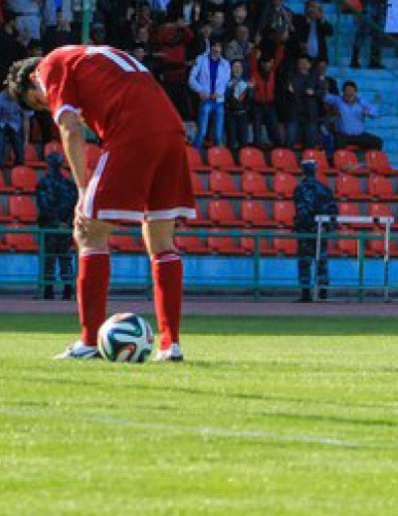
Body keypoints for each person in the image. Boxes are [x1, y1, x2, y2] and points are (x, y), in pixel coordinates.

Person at [5, 46, 195, 361]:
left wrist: (82, 189)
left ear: (31, 86)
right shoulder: (91, 54)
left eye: (37, 102)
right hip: (172, 131)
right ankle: (170, 345)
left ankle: (89, 342)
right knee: (161, 241)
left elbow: (69, 128)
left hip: (133, 132)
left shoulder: (51, 66)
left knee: (88, 231)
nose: (44, 106)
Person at [35, 152, 78, 301]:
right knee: (65, 259)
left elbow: (44, 206)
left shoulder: (43, 184)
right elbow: (74, 207)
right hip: (65, 228)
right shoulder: (70, 185)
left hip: (49, 228)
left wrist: (56, 222)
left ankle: (48, 292)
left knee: (49, 260)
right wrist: (66, 223)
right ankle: (67, 291)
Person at [293, 159, 335, 302]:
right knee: (321, 260)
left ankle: (306, 293)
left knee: (305, 262)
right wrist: (328, 228)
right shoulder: (324, 188)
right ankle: (323, 292)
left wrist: (301, 226)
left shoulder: (300, 188)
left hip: (305, 231)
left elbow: (301, 211)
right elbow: (333, 211)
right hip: (320, 230)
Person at [188, 41, 231, 149]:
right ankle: (195, 154)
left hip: (219, 100)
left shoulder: (225, 63)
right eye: (214, 46)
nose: (216, 49)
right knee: (202, 132)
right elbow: (191, 79)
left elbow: (226, 81)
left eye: (219, 46)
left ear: (222, 49)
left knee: (218, 134)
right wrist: (200, 91)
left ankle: (219, 158)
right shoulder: (201, 59)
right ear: (210, 47)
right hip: (205, 99)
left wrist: (219, 92)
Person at [323, 80, 382, 151]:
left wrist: (368, 112)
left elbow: (375, 113)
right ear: (343, 92)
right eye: (347, 91)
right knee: (338, 143)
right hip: (343, 135)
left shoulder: (361, 102)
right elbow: (324, 96)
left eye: (351, 91)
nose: (349, 93)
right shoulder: (338, 100)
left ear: (355, 92)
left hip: (359, 136)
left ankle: (365, 158)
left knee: (377, 142)